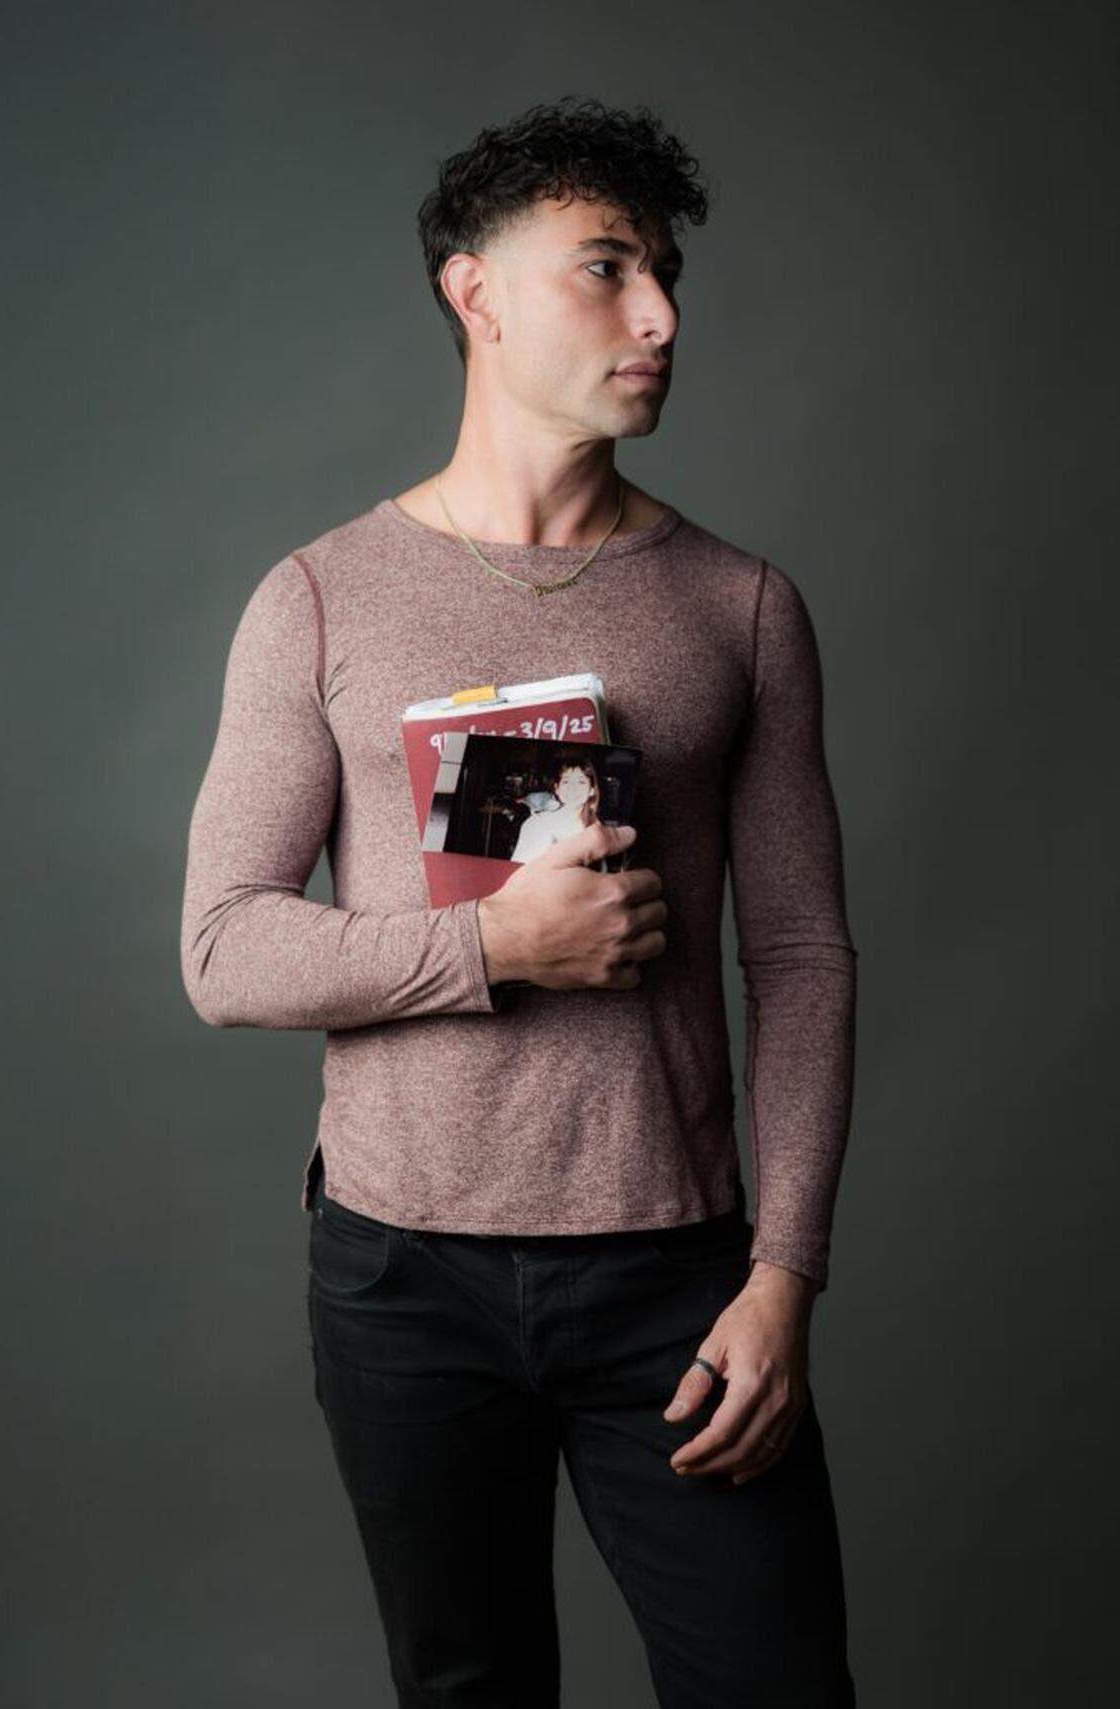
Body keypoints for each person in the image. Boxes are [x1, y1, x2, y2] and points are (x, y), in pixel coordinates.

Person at [181, 94, 859, 1708]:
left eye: (670, 272)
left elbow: (804, 956)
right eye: (609, 266)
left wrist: (787, 1272)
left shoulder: (741, 604)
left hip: (678, 1276)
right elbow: (222, 945)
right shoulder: (320, 598)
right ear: (472, 292)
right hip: (402, 1277)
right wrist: (494, 942)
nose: (662, 315)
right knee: (469, 1686)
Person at [510, 755, 603, 862]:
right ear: (557, 789)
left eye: (581, 782)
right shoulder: (537, 823)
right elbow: (518, 866)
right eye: (566, 782)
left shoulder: (595, 829)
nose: (572, 788)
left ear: (592, 790)